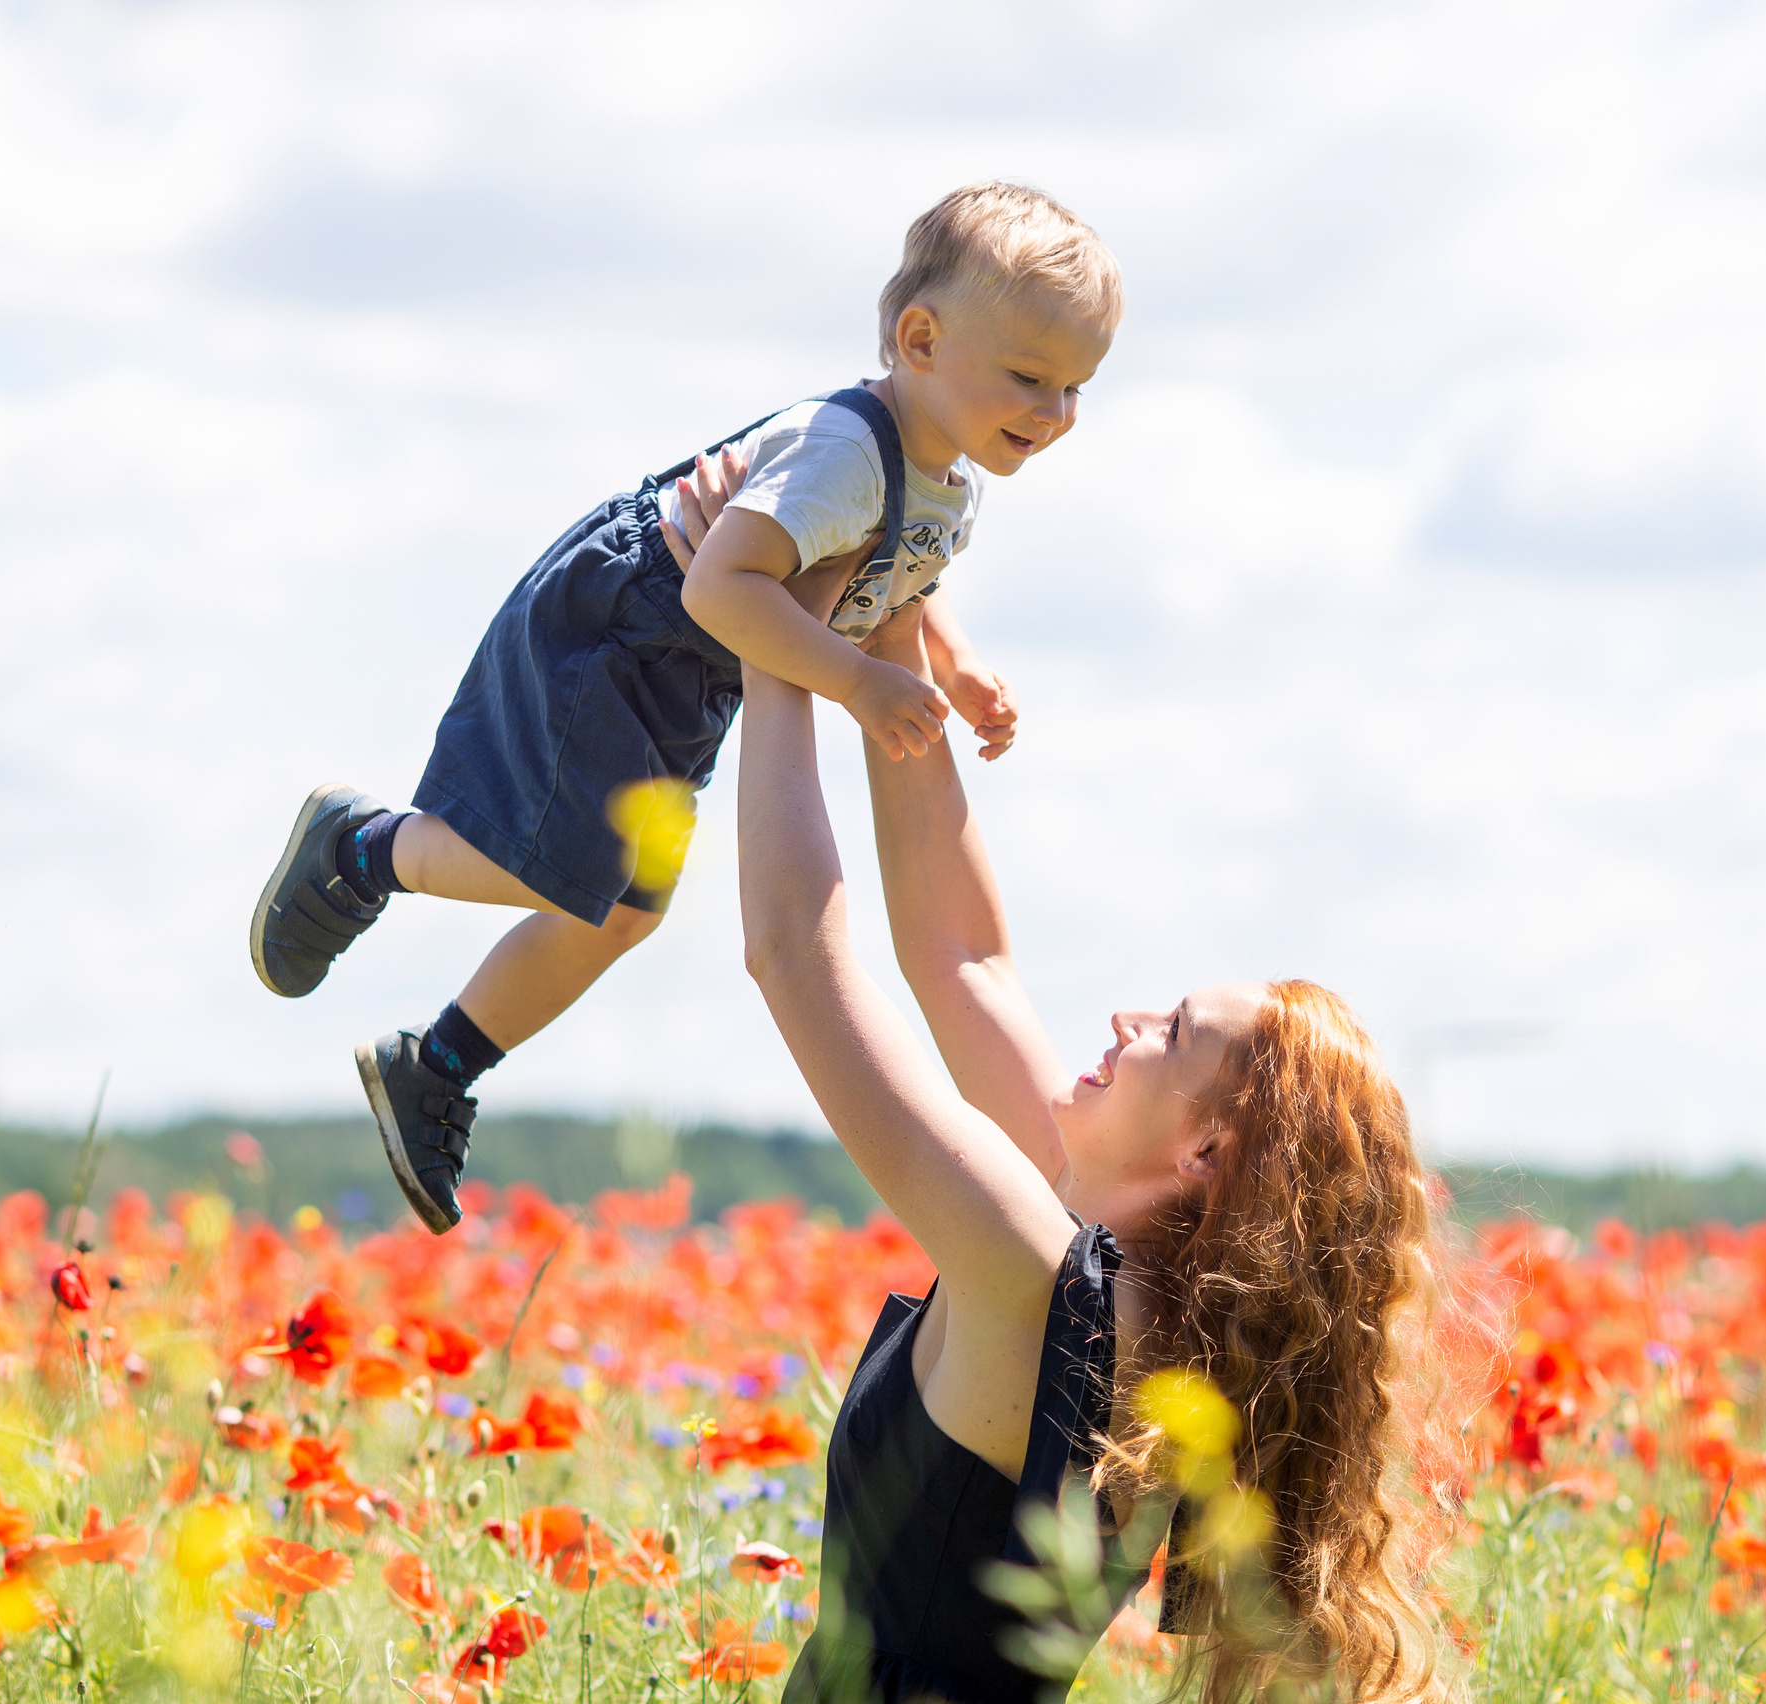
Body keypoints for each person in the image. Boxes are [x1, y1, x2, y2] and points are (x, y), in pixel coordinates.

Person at [244, 182, 1121, 1234]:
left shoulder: (949, 478)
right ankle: (362, 852)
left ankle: (436, 1065)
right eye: (1029, 378)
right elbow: (720, 585)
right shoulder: (846, 451)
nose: (1053, 412)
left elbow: (902, 584)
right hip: (627, 630)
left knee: (621, 910)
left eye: (1076, 388)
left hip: (700, 663)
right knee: (568, 880)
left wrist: (954, 662)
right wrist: (853, 682)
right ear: (920, 340)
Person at [724, 607, 1449, 1699]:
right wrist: (889, 602)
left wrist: (769, 635)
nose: (1124, 1022)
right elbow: (961, 954)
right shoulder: (1105, 1280)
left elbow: (794, 955)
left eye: (1171, 1031)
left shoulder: (1034, 1273)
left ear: (1206, 1148)